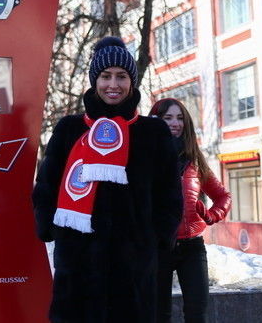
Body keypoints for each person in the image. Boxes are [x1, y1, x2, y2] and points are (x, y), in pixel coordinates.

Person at [32, 36, 183, 322]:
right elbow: (46, 186)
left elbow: (170, 193)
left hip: (134, 267)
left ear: (132, 81)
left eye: (121, 76)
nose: (113, 84)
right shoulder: (69, 128)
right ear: (94, 80)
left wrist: (156, 238)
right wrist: (52, 229)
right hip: (77, 264)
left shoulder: (153, 132)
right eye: (105, 76)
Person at [149, 98, 231, 323]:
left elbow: (223, 196)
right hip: (158, 247)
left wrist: (211, 215)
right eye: (168, 118)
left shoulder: (194, 160)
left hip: (192, 247)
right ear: (155, 121)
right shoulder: (145, 158)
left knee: (197, 315)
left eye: (179, 118)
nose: (175, 123)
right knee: (158, 315)